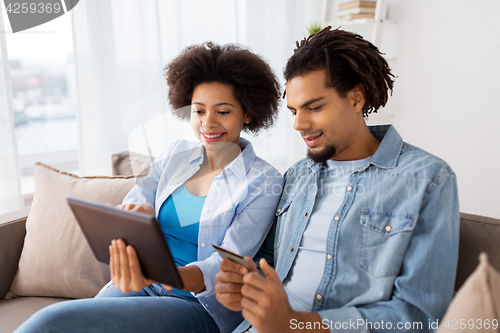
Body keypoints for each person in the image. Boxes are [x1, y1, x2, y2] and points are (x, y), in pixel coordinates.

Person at [14, 42, 284, 333]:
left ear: (247, 113)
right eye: (199, 111)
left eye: (223, 111)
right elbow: (137, 202)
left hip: (197, 305)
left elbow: (227, 264)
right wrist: (139, 212)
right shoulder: (175, 154)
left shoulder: (263, 181)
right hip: (143, 285)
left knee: (50, 322)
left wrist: (167, 276)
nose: (208, 123)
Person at [215, 27, 460, 333]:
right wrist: (247, 285)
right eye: (293, 111)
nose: (299, 124)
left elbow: (420, 314)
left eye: (314, 107)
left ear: (356, 98)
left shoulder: (428, 180)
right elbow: (270, 267)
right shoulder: (296, 176)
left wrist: (295, 325)